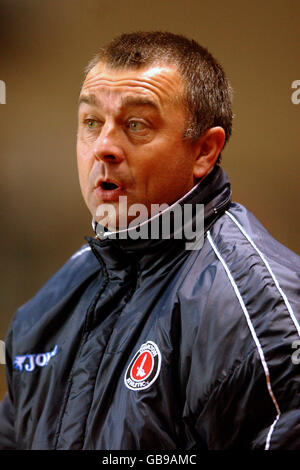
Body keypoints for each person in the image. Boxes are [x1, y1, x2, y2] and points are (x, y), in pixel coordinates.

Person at [0, 31, 299, 451]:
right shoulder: (46, 309)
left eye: (135, 124)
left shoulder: (259, 315)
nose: (103, 146)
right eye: (91, 122)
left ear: (204, 152)